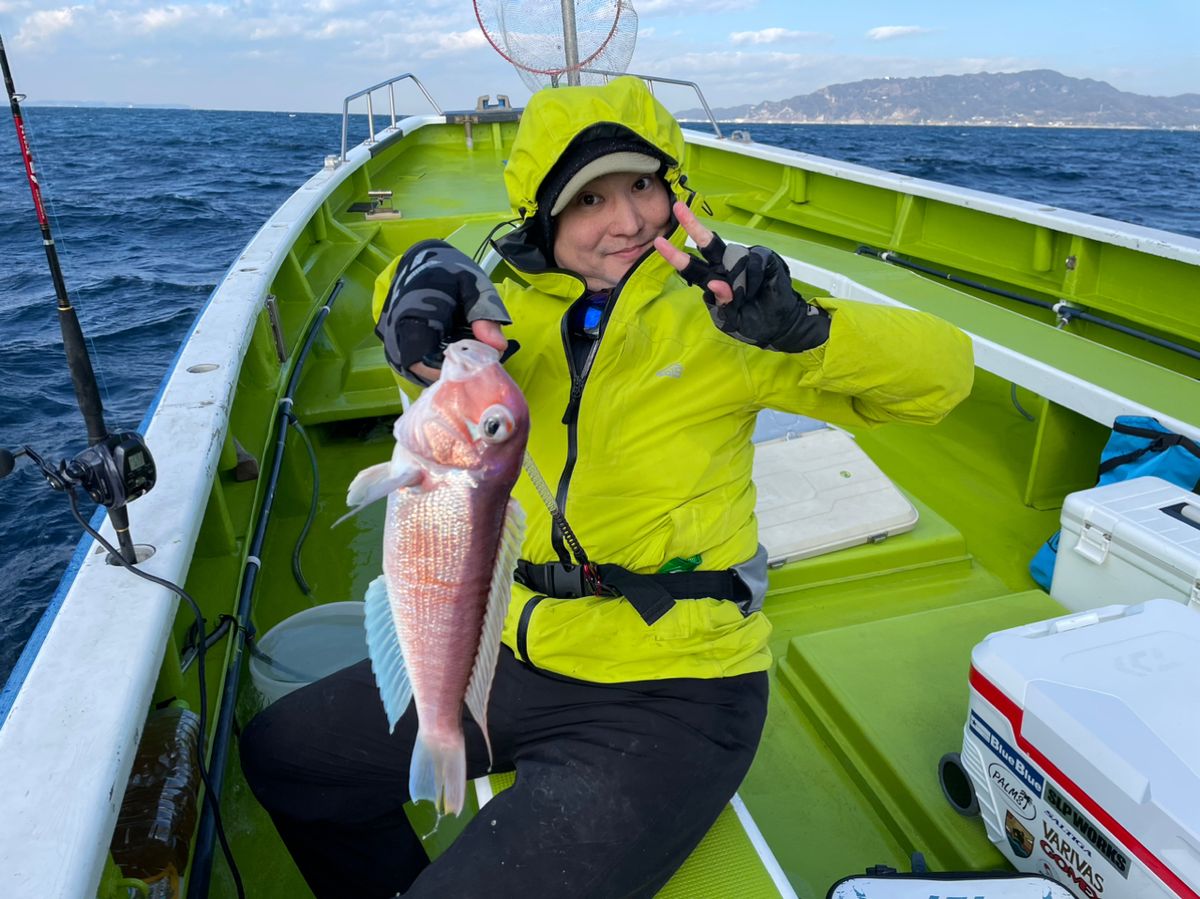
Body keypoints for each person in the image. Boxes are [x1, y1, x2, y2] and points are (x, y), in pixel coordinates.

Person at [240, 75, 974, 897]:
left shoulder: (724, 312)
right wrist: (416, 269)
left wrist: (808, 330)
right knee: (284, 756)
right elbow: (418, 297)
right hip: (509, 647)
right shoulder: (500, 311)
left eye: (643, 186)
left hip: (671, 690)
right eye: (589, 199)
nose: (627, 220)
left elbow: (942, 378)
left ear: (674, 190)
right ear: (542, 219)